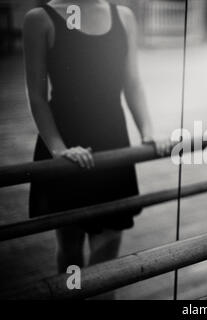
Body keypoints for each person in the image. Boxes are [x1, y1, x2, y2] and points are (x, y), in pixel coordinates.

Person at [23, 0, 170, 285]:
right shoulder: (40, 19)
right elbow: (37, 96)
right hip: (67, 143)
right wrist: (60, 150)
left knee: (108, 245)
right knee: (70, 246)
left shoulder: (123, 16)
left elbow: (132, 82)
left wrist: (147, 131)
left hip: (113, 140)